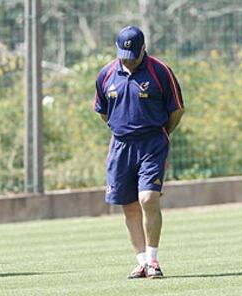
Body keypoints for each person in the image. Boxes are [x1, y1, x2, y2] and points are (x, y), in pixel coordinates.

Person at [94, 25, 184, 279]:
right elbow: (103, 111)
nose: (129, 61)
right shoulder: (106, 74)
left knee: (148, 198)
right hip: (121, 145)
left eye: (133, 55)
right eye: (124, 55)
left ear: (143, 49)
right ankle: (141, 262)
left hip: (152, 142)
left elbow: (177, 109)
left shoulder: (160, 72)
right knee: (129, 206)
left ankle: (154, 261)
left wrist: (163, 133)